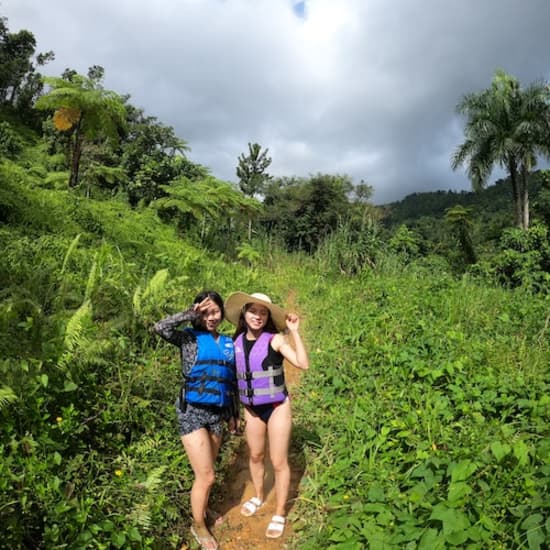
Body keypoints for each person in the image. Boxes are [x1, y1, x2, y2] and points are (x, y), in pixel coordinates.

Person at [153, 290, 238, 550]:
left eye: (215, 311)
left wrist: (233, 414)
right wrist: (188, 314)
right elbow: (160, 327)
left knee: (207, 471)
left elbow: (230, 382)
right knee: (207, 475)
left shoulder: (227, 343)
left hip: (217, 414)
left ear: (222, 312)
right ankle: (198, 526)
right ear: (198, 313)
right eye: (205, 312)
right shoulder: (189, 338)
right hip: (192, 411)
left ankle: (203, 509)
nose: (211, 317)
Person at [224, 291, 309, 539]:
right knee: (256, 455)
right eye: (253, 311)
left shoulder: (276, 340)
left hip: (277, 407)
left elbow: (303, 364)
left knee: (279, 461)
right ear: (244, 313)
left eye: (263, 312)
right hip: (251, 408)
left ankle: (280, 512)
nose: (258, 316)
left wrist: (294, 332)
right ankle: (260, 495)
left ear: (268, 316)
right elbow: (232, 378)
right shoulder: (236, 341)